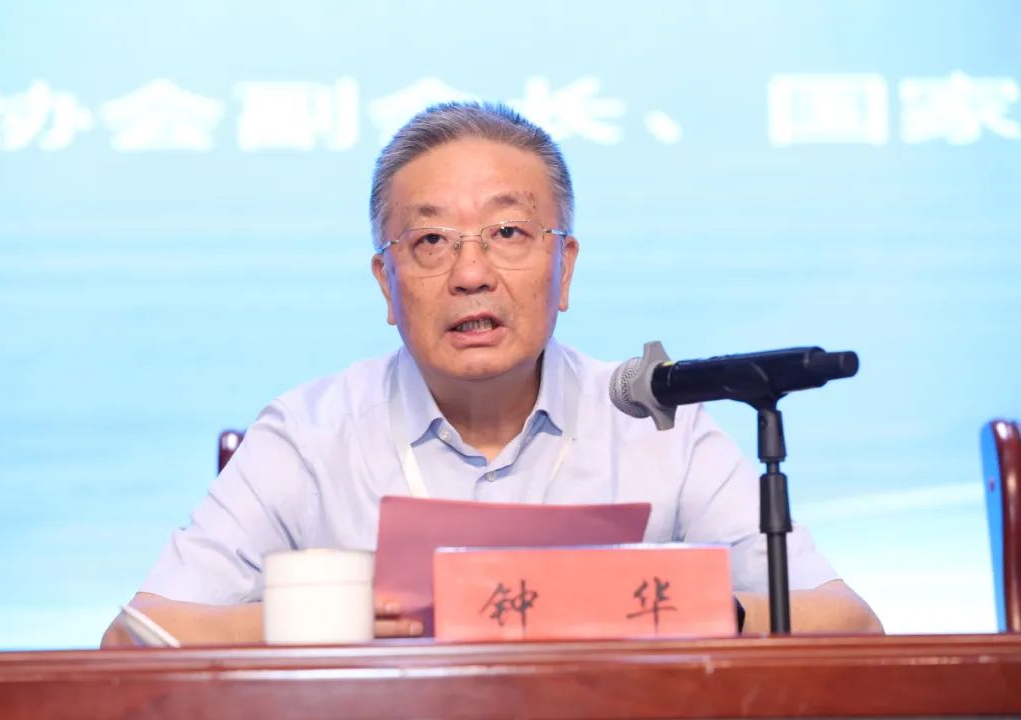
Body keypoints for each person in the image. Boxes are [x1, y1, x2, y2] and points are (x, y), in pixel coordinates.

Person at [101, 102, 881, 646]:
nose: (471, 273)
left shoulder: (657, 425)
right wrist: (328, 618)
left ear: (563, 267)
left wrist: (684, 607)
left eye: (507, 232)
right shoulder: (311, 435)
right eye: (431, 241)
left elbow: (848, 624)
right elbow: (136, 640)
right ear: (386, 284)